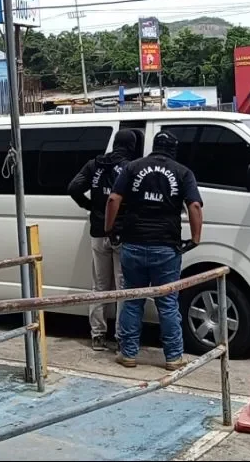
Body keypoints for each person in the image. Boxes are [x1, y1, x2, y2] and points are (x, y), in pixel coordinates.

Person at [104, 131, 203, 370]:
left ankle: (128, 354)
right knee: (168, 303)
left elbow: (113, 199)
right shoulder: (182, 172)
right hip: (166, 247)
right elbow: (195, 205)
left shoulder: (133, 168)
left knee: (132, 300)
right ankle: (173, 357)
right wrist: (196, 238)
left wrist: (110, 229)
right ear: (172, 150)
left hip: (134, 244)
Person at [67, 130, 138, 351]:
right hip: (121, 233)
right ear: (130, 147)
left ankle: (97, 335)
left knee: (99, 285)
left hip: (98, 232)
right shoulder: (130, 168)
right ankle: (120, 337)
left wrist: (90, 206)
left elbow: (73, 188)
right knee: (122, 287)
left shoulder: (94, 165)